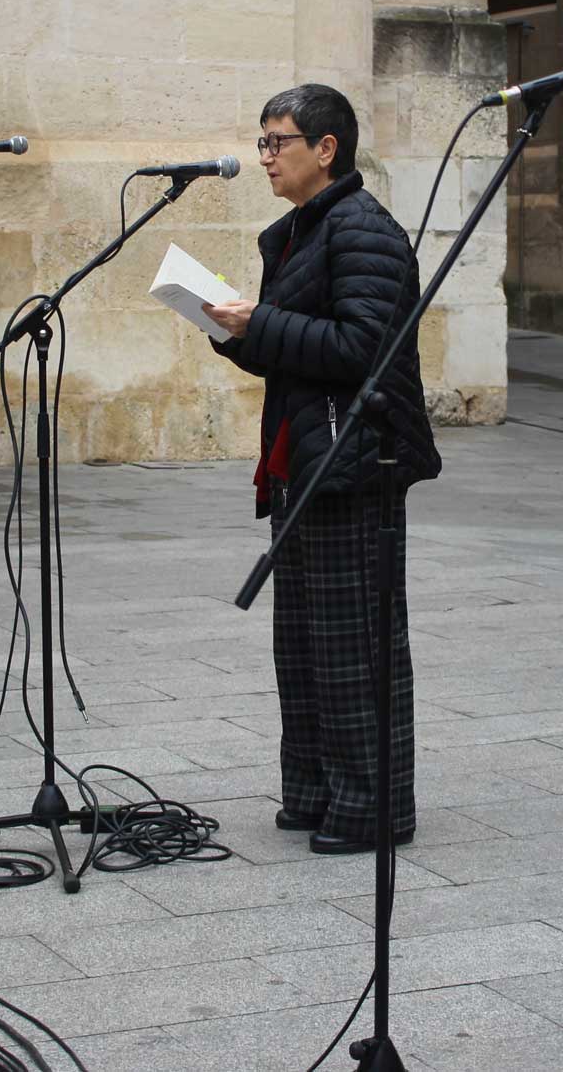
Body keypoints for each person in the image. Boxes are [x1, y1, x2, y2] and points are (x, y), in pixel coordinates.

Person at [203, 84, 441, 857]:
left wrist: (259, 322)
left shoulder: (363, 229)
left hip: (355, 460)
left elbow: (361, 348)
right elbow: (298, 347)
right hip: (304, 457)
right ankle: (315, 790)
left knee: (355, 647)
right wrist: (233, 331)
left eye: (278, 142)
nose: (266, 156)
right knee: (304, 644)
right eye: (264, 141)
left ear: (325, 148)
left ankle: (373, 807)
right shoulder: (303, 230)